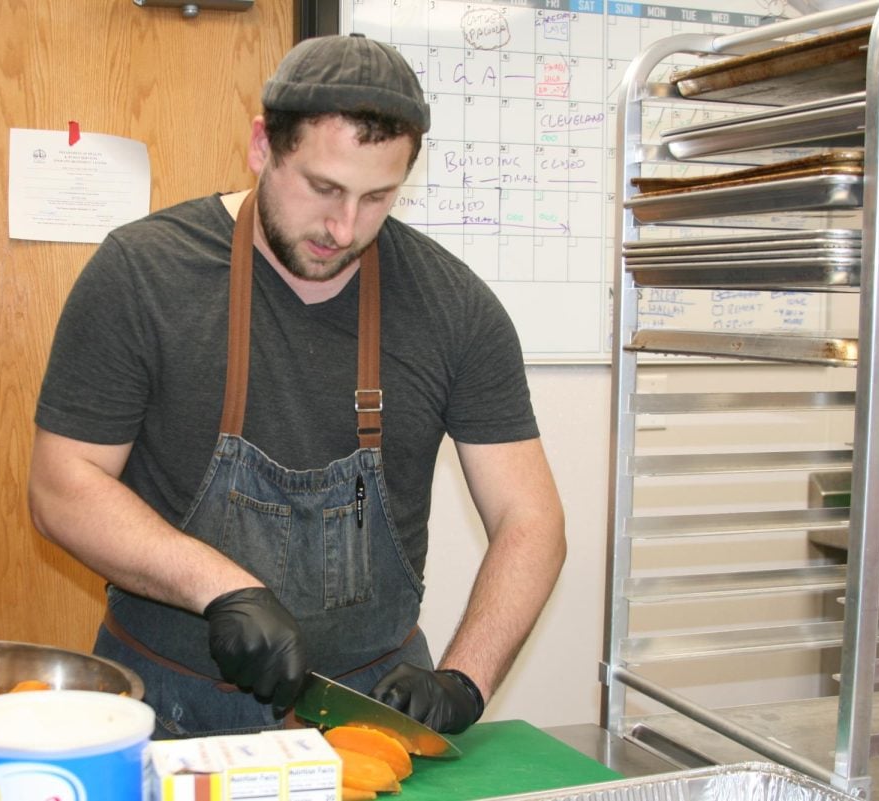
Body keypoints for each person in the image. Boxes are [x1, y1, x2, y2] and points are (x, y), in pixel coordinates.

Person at [28, 33, 566, 739]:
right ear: (261, 146)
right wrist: (216, 586)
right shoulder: (142, 273)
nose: (344, 227)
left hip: (370, 725)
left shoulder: (455, 308)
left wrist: (464, 678)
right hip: (169, 712)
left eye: (378, 197)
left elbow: (532, 522)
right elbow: (62, 483)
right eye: (323, 188)